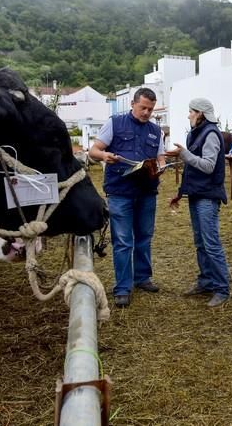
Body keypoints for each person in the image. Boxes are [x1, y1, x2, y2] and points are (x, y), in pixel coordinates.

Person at [89, 88, 165, 308]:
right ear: (132, 104)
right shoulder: (114, 123)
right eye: (143, 108)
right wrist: (105, 155)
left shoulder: (155, 130)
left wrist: (161, 166)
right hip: (120, 192)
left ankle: (142, 278)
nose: (146, 113)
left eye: (150, 109)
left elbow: (159, 156)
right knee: (123, 241)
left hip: (147, 192)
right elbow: (93, 150)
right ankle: (123, 287)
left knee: (144, 236)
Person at [166, 98, 231, 308]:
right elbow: (192, 169)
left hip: (207, 197)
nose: (188, 115)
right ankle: (206, 282)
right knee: (201, 243)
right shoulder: (196, 132)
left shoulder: (211, 134)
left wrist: (184, 154)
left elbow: (208, 166)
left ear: (200, 114)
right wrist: (180, 193)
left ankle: (222, 289)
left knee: (211, 244)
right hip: (197, 194)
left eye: (191, 111)